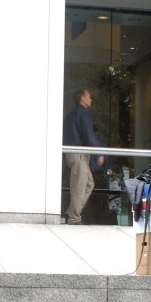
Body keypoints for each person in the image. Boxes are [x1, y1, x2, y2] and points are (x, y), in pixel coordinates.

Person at [63, 89, 105, 225]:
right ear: (82, 99)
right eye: (89, 97)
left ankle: (71, 211)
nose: (91, 99)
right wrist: (98, 153)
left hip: (72, 154)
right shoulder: (83, 113)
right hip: (79, 153)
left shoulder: (70, 116)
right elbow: (88, 135)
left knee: (88, 183)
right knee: (79, 186)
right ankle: (74, 218)